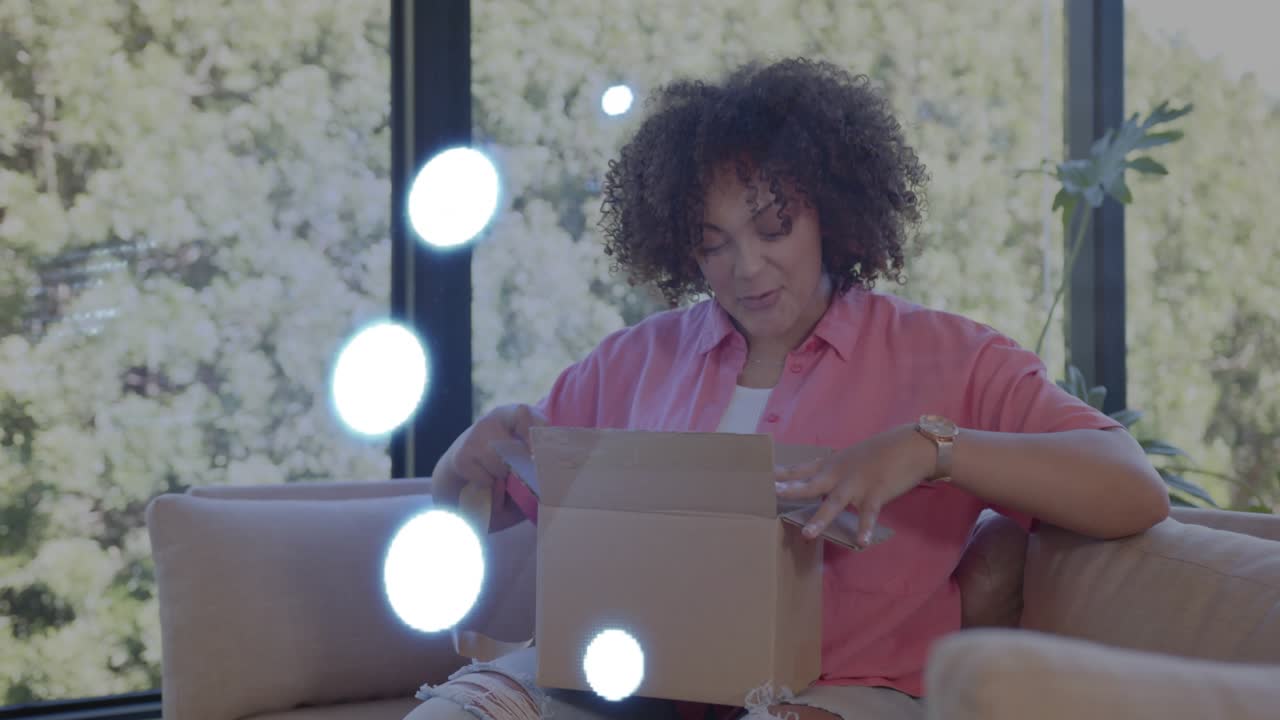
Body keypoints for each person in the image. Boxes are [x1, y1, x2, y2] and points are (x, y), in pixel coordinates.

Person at [408, 57, 1170, 720]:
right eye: (713, 245)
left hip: (841, 692)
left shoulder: (951, 358)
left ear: (831, 214)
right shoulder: (633, 362)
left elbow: (1132, 487)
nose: (747, 269)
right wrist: (458, 463)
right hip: (622, 687)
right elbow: (486, 509)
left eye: (774, 229)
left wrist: (931, 450)